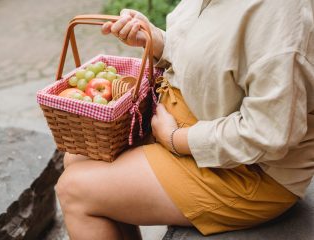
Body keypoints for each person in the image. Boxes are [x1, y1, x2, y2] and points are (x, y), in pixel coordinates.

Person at [56, 0, 314, 239]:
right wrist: (157, 41)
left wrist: (175, 138)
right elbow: (213, 54)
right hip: (189, 120)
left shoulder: (280, 16)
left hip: (248, 170)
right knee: (78, 156)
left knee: (74, 191)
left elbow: (269, 133)